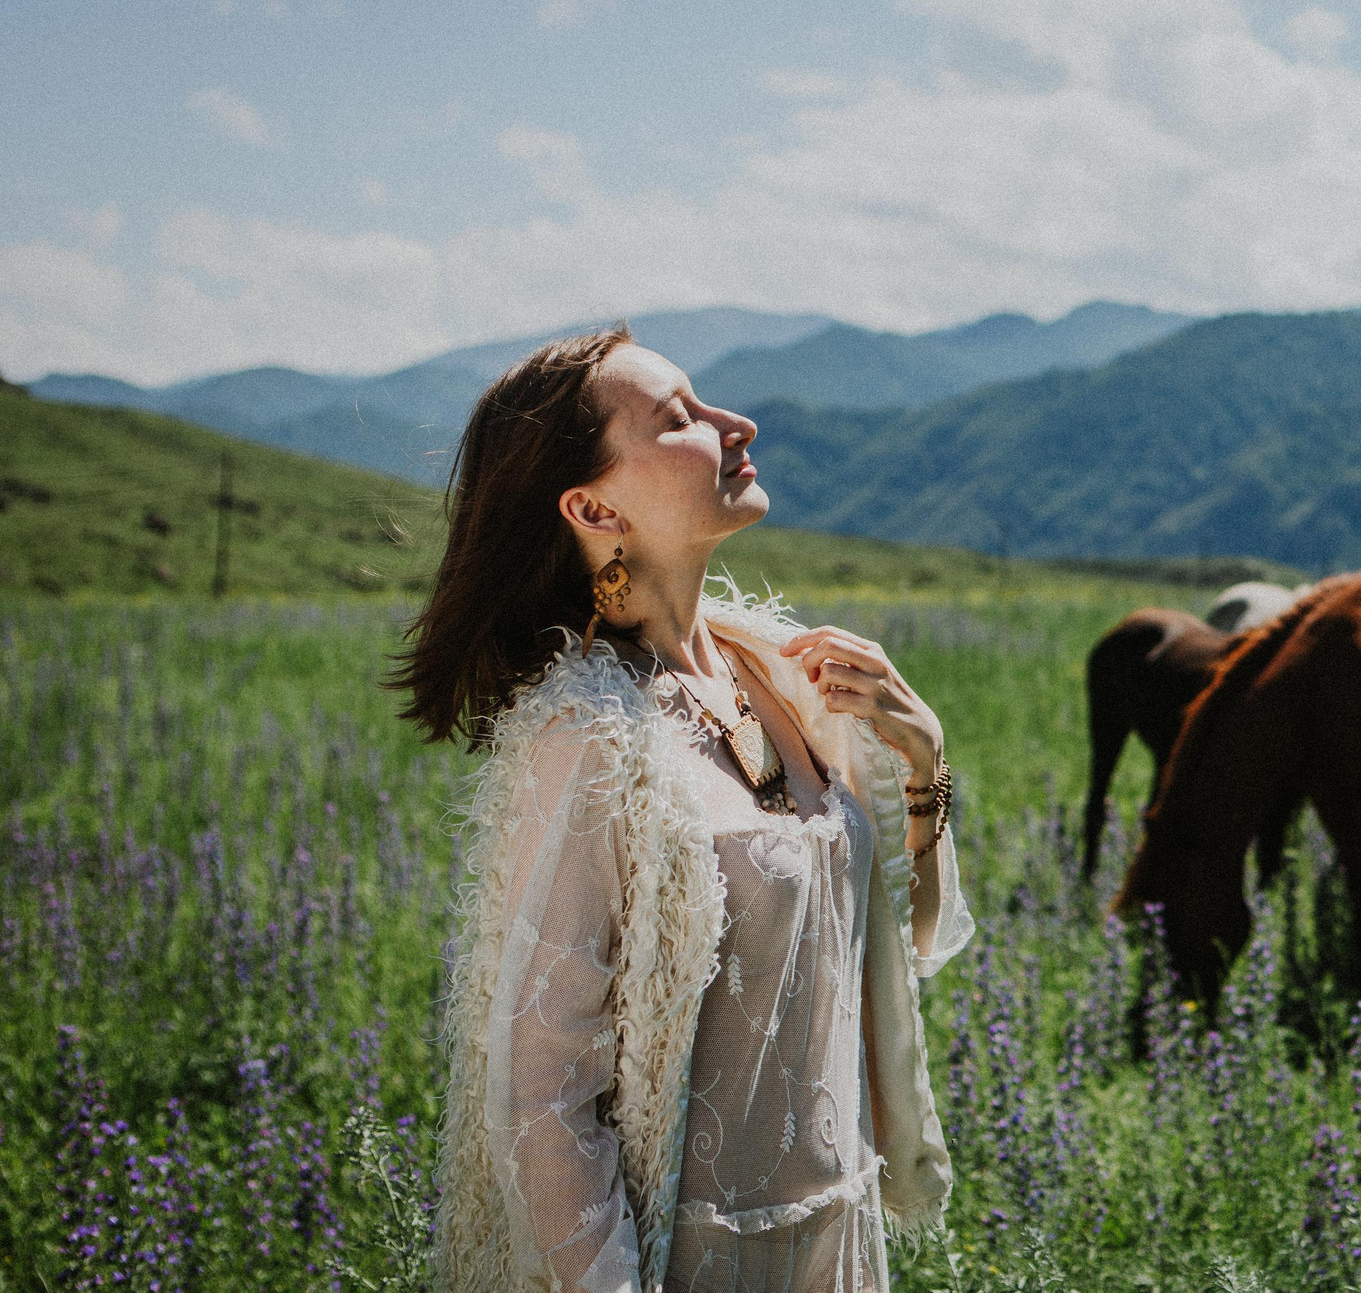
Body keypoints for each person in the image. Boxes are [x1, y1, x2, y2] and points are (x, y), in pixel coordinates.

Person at [392, 324, 972, 1291]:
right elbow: (540, 1093)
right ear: (592, 505)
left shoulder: (785, 678)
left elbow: (889, 940)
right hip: (699, 1260)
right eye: (679, 418)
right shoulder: (588, 733)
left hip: (837, 1243)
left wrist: (927, 766)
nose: (733, 422)